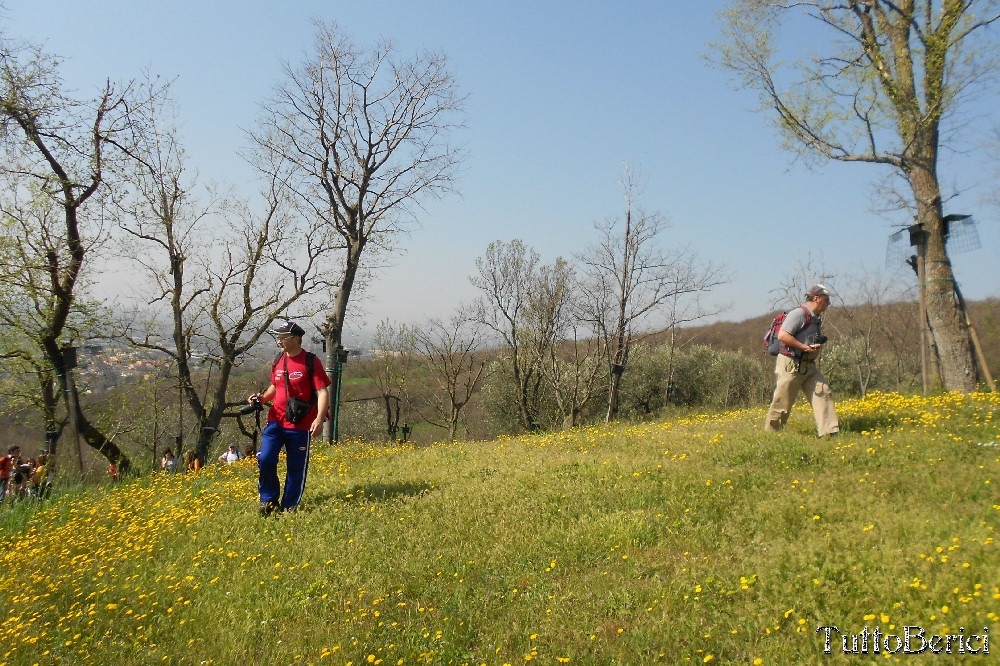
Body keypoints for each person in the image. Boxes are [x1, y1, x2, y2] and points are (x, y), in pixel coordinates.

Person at [247, 320, 330, 516]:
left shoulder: (311, 361)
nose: (279, 341)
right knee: (265, 458)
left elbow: (323, 392)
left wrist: (318, 419)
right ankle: (268, 500)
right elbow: (275, 387)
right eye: (278, 338)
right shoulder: (277, 360)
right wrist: (261, 398)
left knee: (296, 468)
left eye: (283, 338)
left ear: (297, 339)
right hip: (275, 421)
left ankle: (288, 507)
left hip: (301, 425)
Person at [764, 284, 840, 437]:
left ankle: (829, 432)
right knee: (783, 403)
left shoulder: (815, 318)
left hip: (808, 366)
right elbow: (783, 335)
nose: (829, 304)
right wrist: (804, 348)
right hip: (790, 365)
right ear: (817, 298)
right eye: (826, 300)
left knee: (823, 392)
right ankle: (772, 434)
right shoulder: (799, 313)